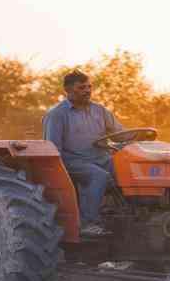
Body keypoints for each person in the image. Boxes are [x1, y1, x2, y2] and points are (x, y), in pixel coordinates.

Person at [43, 69, 123, 237]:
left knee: (128, 170)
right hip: (71, 160)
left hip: (101, 157)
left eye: (89, 87)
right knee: (98, 176)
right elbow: (53, 149)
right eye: (81, 88)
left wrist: (138, 140)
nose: (87, 91)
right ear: (68, 90)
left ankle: (129, 216)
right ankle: (88, 223)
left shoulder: (100, 110)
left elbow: (121, 134)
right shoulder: (57, 114)